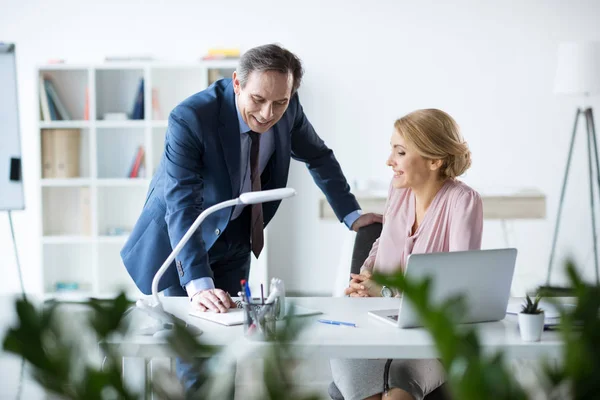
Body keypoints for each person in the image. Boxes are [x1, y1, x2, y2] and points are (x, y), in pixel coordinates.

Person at [120, 43, 381, 391]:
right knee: (196, 356)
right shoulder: (192, 118)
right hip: (178, 244)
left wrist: (351, 214)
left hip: (236, 239)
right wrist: (198, 284)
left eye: (280, 102)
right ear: (237, 84)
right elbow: (181, 204)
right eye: (258, 99)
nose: (267, 113)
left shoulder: (288, 108)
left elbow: (319, 156)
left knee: (230, 351)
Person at [331, 109, 483, 400]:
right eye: (392, 150)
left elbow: (459, 295)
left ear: (434, 161)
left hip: (431, 340)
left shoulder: (463, 202)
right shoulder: (398, 190)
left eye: (399, 152)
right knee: (357, 380)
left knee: (399, 391)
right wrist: (364, 281)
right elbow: (382, 242)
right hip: (373, 326)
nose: (389, 161)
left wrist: (386, 291)